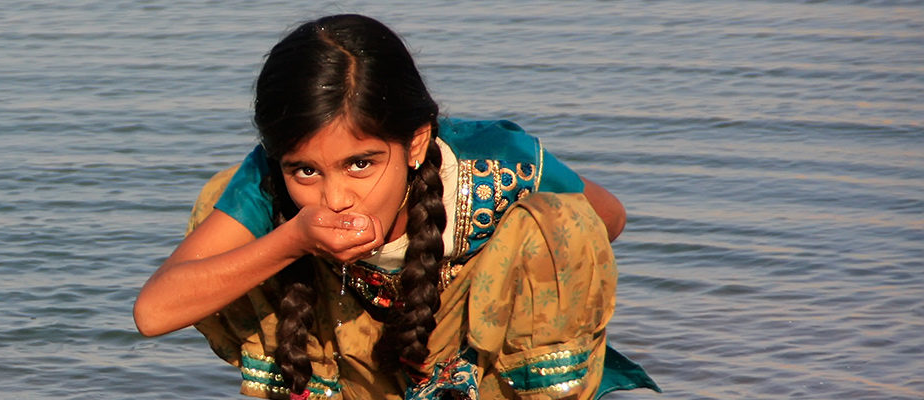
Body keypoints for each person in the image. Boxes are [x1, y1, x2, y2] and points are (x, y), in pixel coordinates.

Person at [135, 14, 658, 399]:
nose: (336, 199)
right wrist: (292, 240)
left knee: (554, 223)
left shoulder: (496, 162)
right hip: (350, 356)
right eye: (306, 171)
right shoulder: (268, 180)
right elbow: (155, 311)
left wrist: (496, 269)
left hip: (480, 359)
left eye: (360, 164)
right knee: (217, 203)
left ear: (414, 143)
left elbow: (604, 219)